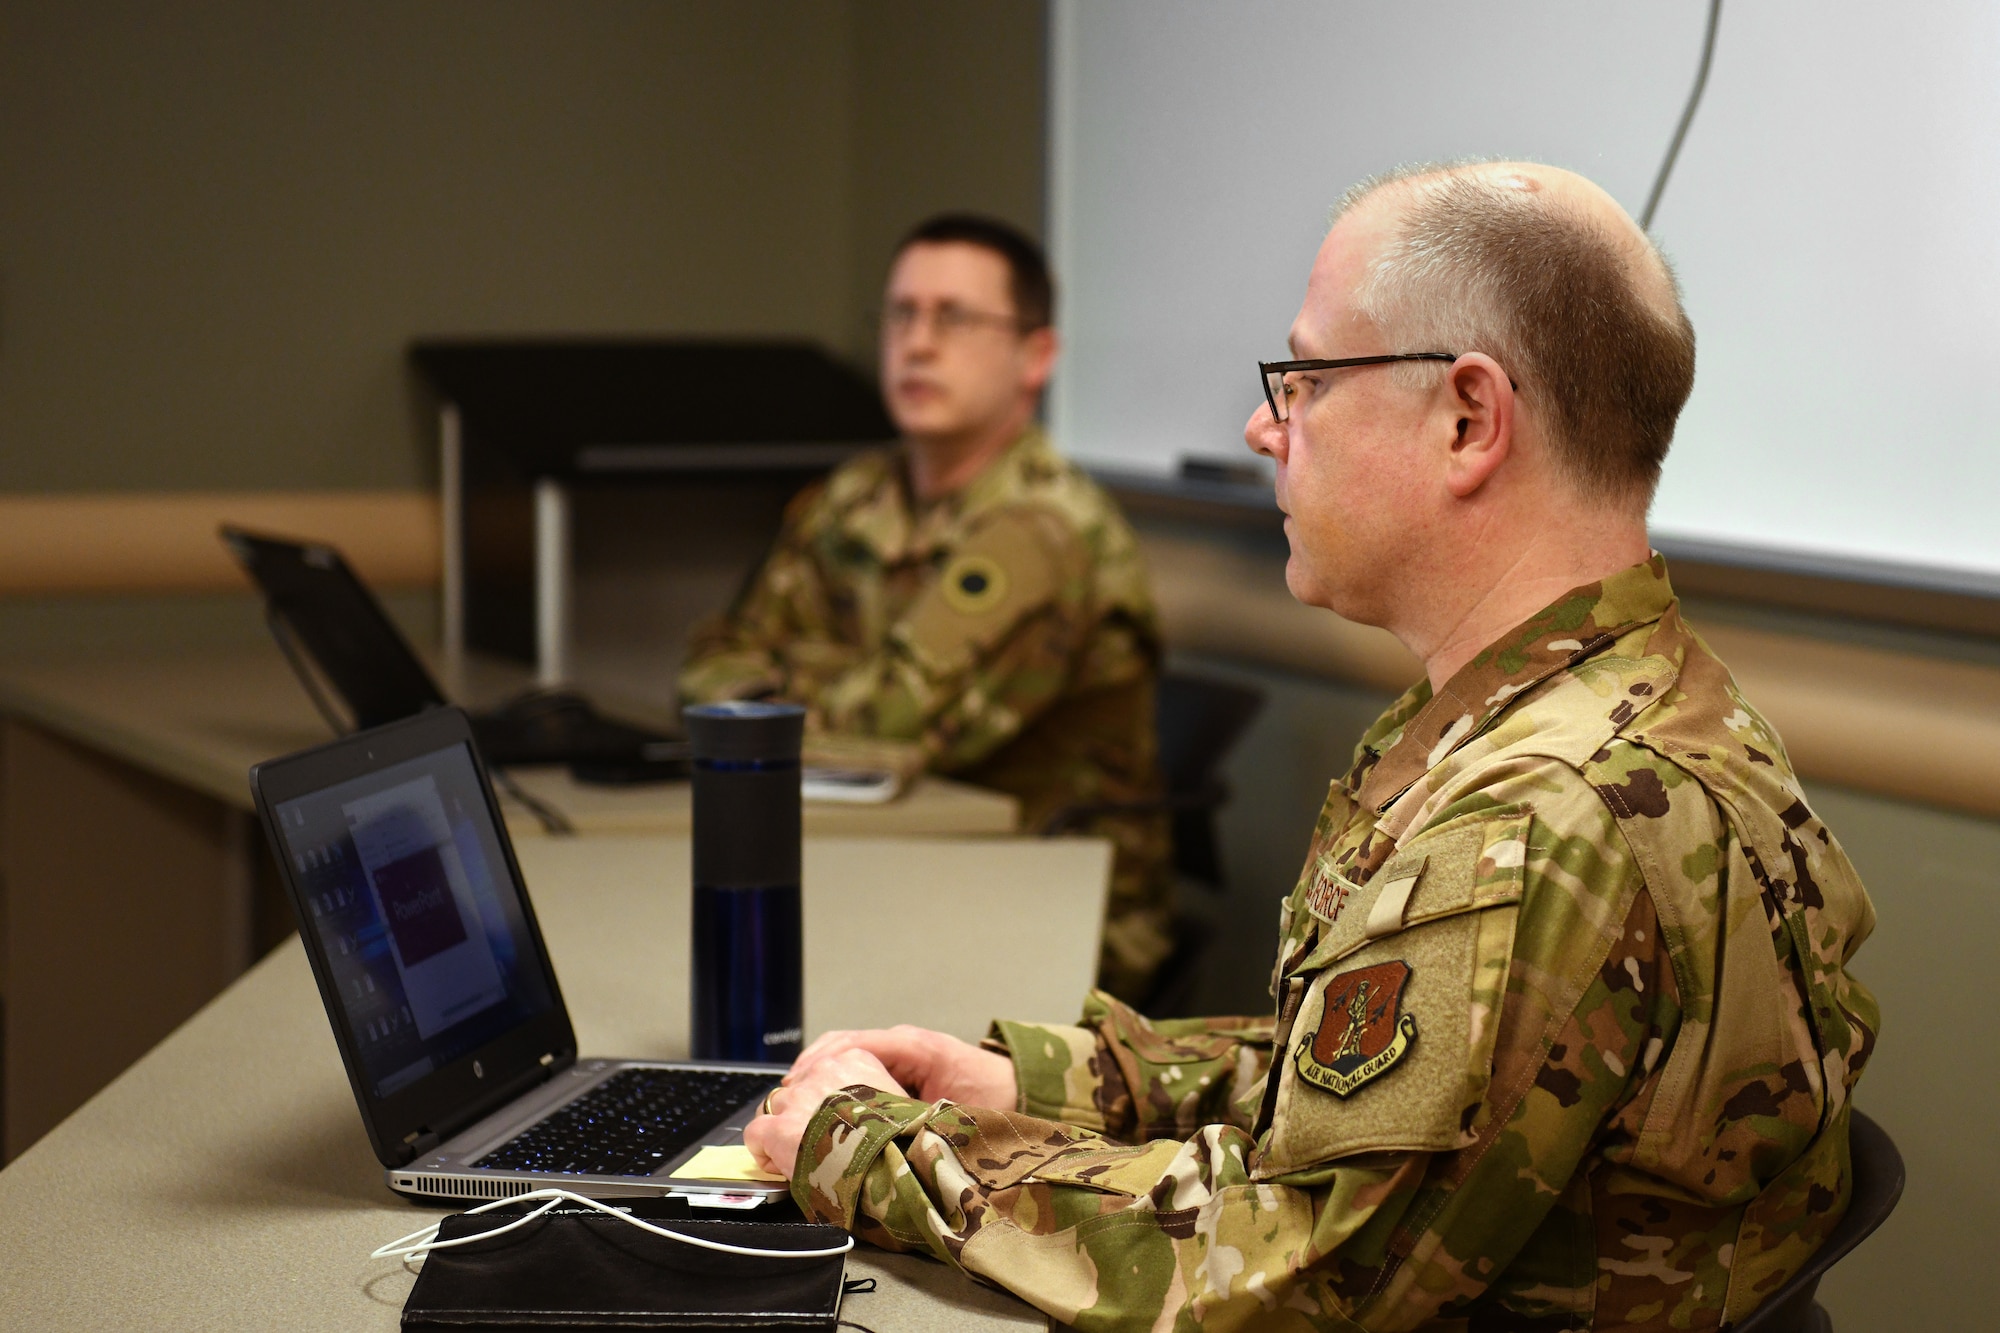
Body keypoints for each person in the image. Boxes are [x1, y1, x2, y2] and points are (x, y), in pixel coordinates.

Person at [742, 163, 1880, 1331]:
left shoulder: (1540, 816)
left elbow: (1289, 1273)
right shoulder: (1611, 697)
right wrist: (1041, 1083)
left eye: (1303, 379)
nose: (1260, 425)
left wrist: (875, 1154)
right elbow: (1349, 1090)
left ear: (1466, 421)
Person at [678, 214, 1171, 1004]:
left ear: (1035, 355)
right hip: (884, 866)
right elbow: (710, 666)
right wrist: (836, 679)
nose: (918, 342)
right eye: (901, 314)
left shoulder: (1041, 530)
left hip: (1044, 914)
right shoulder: (854, 496)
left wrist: (786, 675)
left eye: (955, 318)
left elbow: (887, 729)